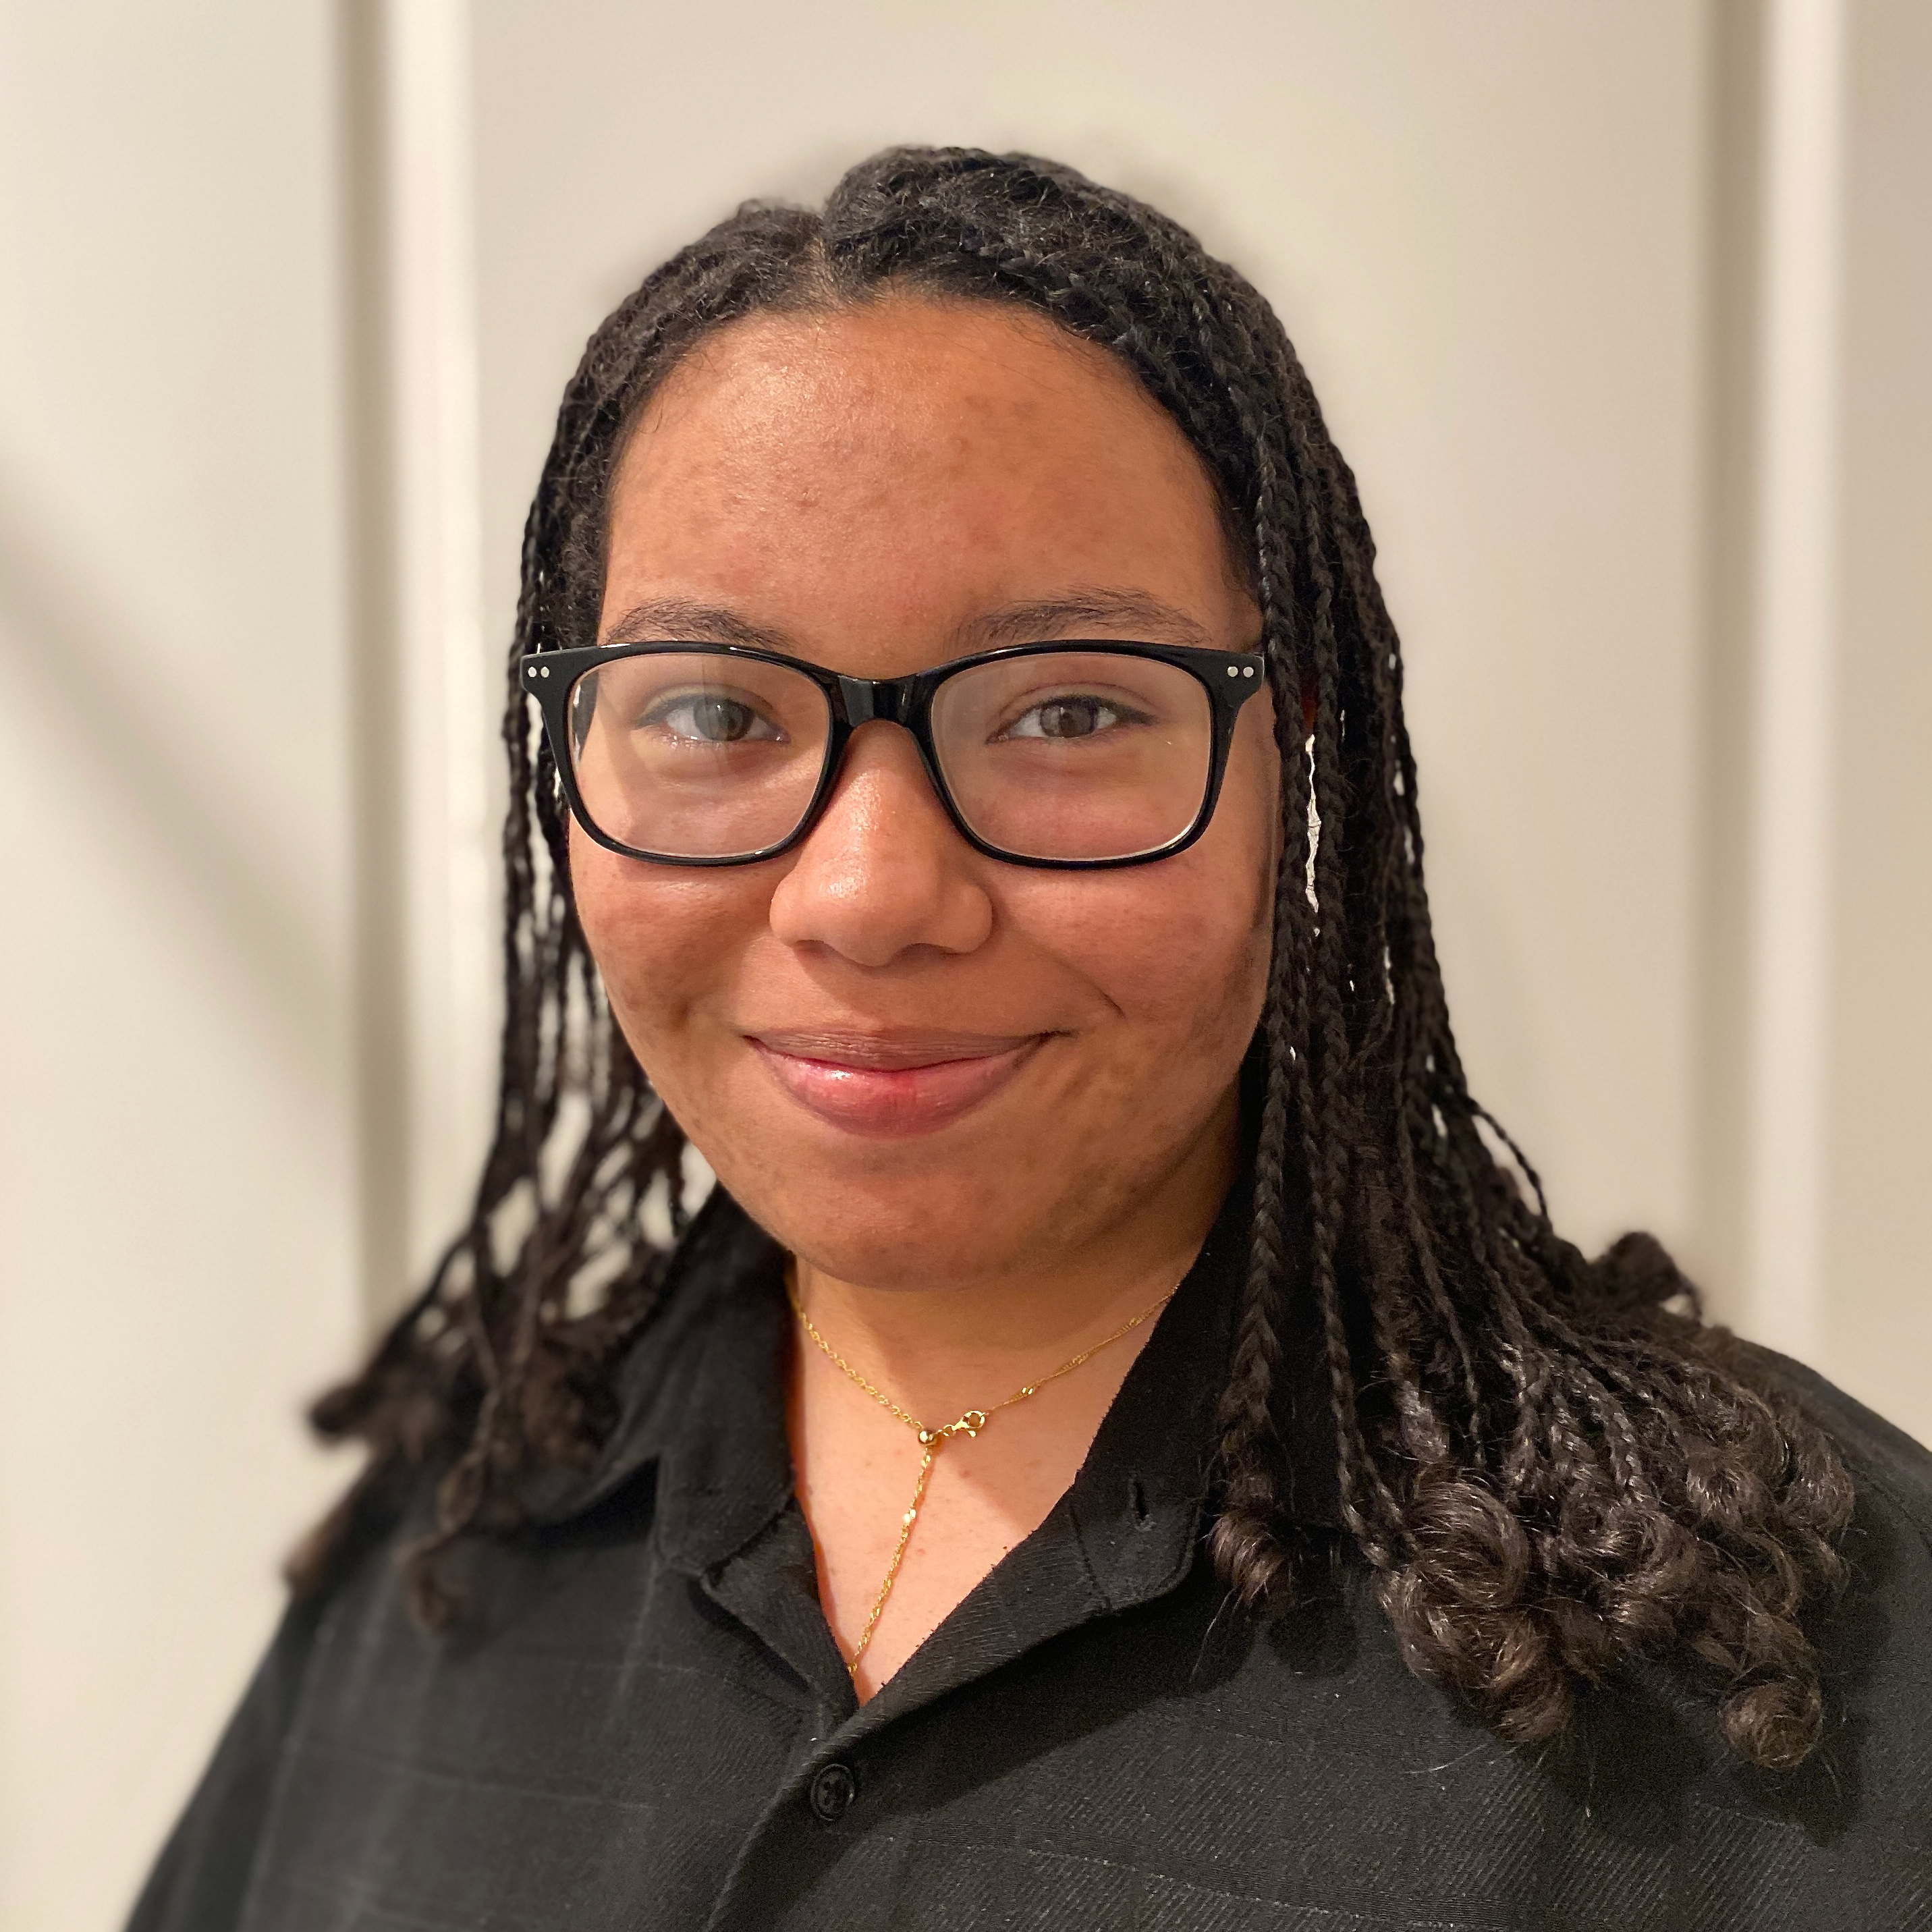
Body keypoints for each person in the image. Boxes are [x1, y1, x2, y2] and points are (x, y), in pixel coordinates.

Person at [130, 147, 1932, 1932]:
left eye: (1066, 708)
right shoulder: (451, 1547)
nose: (867, 892)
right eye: (711, 708)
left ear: (1286, 761)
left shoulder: (1804, 1654)